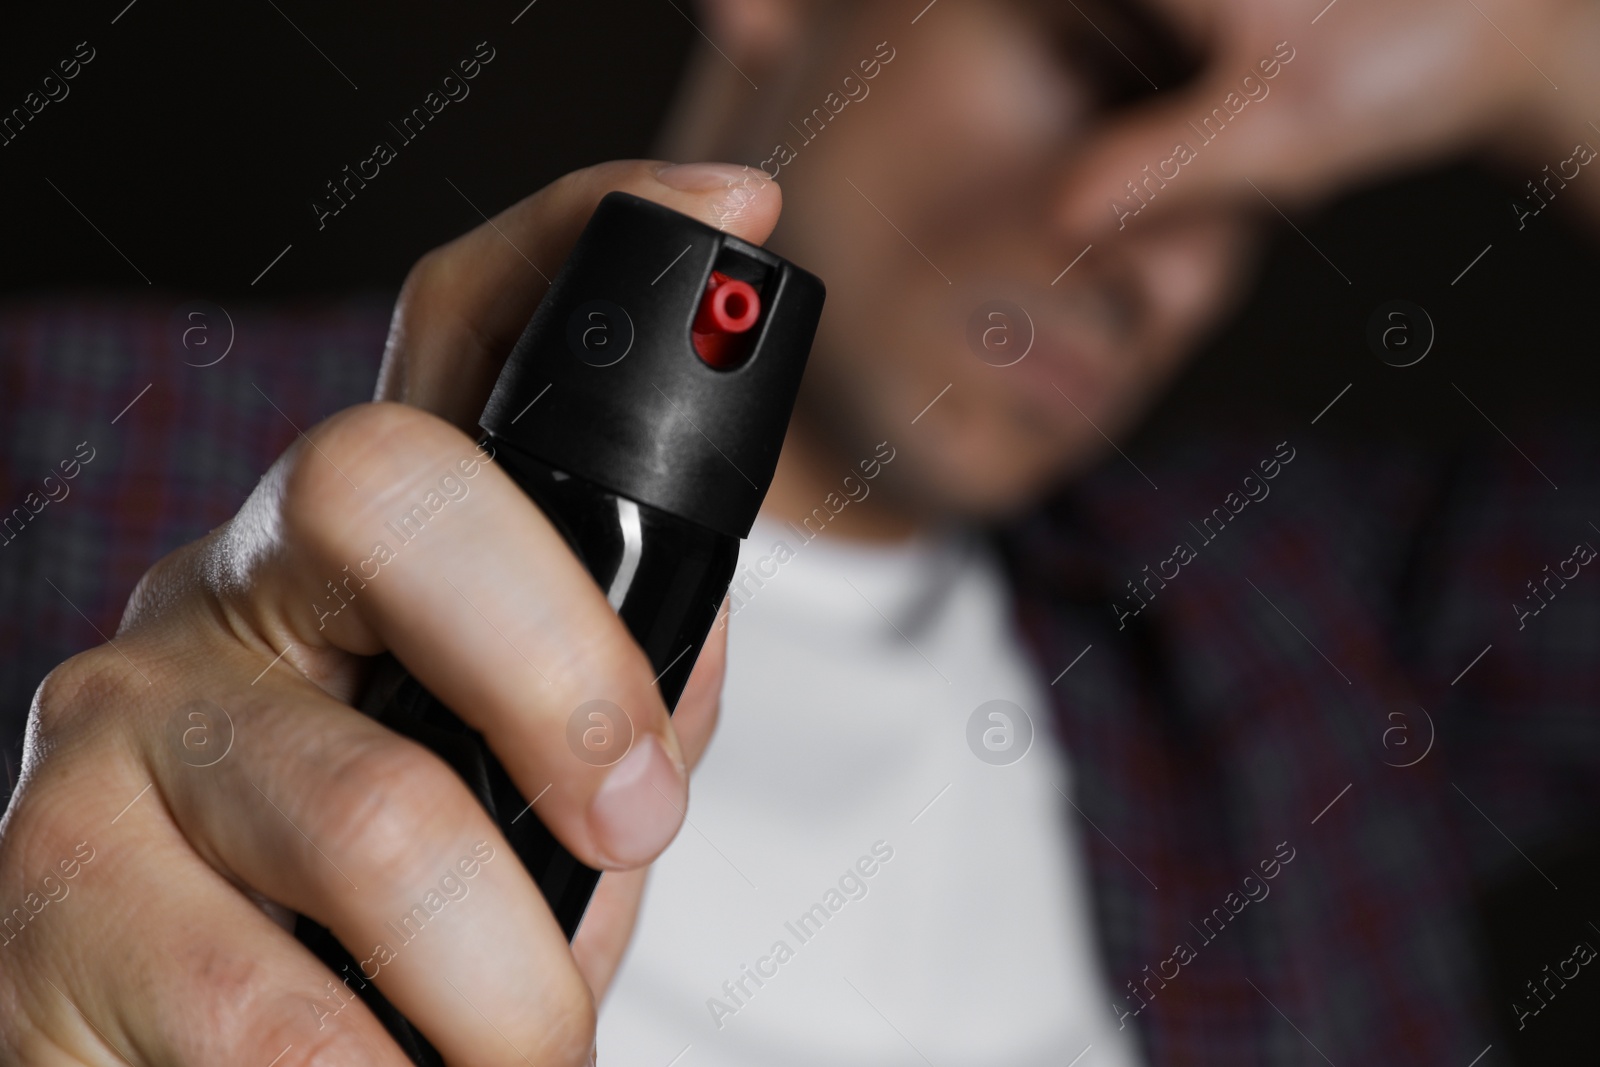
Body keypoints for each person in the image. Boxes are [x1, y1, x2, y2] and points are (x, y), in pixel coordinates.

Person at [2, 0, 1598, 1064]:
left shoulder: (1309, 644)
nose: (1166, 261)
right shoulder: (61, 450)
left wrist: (1538, 49)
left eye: (1272, 185)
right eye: (1115, 57)